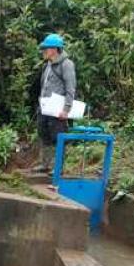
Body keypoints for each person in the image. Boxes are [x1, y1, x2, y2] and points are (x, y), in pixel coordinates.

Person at [36, 33, 76, 172]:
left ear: (54, 49)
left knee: (58, 137)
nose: (43, 52)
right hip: (45, 107)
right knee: (44, 134)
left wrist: (66, 109)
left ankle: (58, 166)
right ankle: (45, 164)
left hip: (58, 110)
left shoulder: (66, 64)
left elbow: (70, 88)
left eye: (45, 49)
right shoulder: (47, 64)